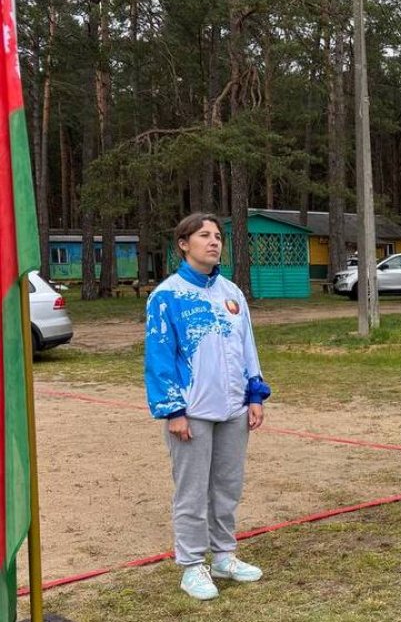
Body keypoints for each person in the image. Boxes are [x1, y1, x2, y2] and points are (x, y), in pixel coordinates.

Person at [144, 213, 271, 601]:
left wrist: (254, 394)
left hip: (234, 408)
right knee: (192, 491)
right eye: (204, 235)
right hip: (192, 411)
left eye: (217, 236)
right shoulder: (167, 296)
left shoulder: (232, 293)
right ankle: (191, 565)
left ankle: (224, 556)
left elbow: (247, 346)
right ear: (184, 244)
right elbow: (159, 358)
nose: (214, 242)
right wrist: (173, 410)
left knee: (227, 486)